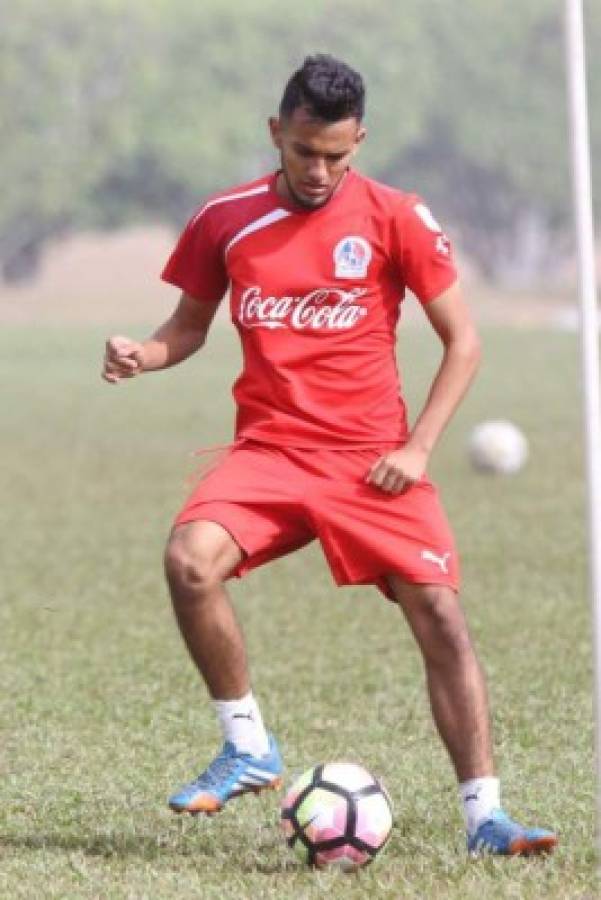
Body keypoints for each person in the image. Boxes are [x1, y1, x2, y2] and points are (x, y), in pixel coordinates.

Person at [102, 54, 557, 856]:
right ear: (276, 132)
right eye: (305, 151)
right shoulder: (225, 219)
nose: (319, 171)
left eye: (337, 156)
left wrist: (417, 448)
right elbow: (187, 330)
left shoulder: (395, 217)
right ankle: (247, 748)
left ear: (360, 141)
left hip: (373, 459)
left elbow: (464, 343)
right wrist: (143, 351)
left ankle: (485, 817)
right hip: (270, 452)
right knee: (188, 560)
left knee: (442, 618)